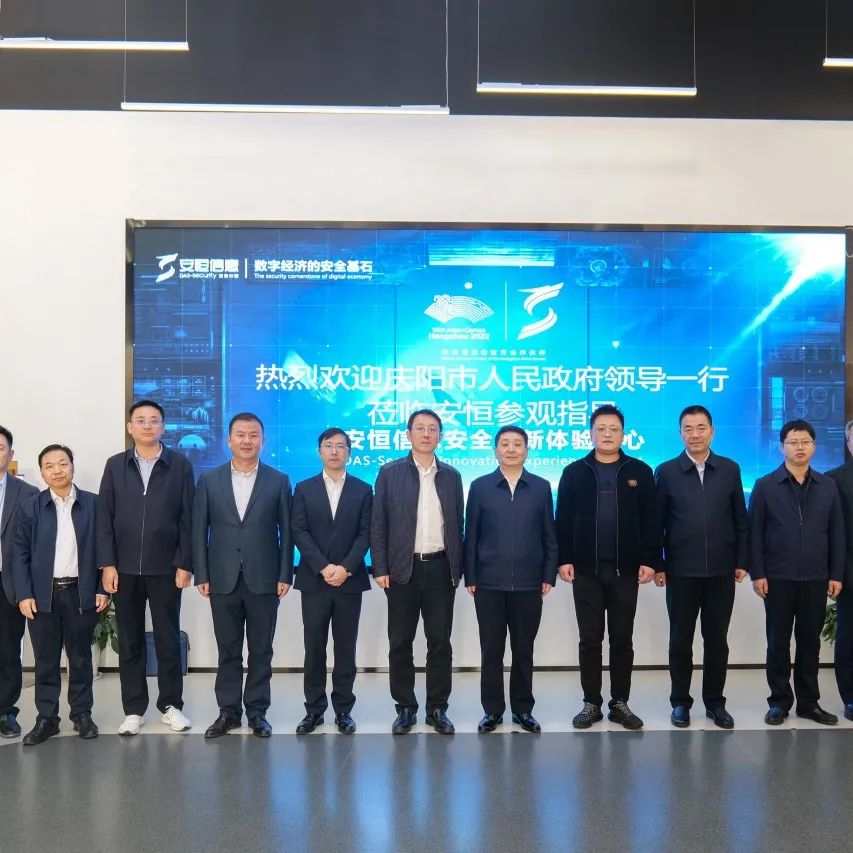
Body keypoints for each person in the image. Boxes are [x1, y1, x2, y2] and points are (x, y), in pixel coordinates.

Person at [555, 404, 659, 730]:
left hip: (626, 572)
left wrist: (650, 560)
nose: (607, 434)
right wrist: (564, 558)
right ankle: (591, 703)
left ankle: (620, 703)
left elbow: (652, 521)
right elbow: (563, 519)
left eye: (614, 429)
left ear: (623, 433)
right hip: (586, 571)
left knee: (622, 639)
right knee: (589, 639)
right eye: (601, 428)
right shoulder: (575, 472)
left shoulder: (639, 471)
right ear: (591, 433)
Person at [97, 400, 194, 735]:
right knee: (130, 641)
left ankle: (171, 706)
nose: (148, 425)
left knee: (168, 639)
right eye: (140, 420)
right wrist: (107, 563)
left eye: (154, 420)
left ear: (163, 427)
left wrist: (185, 562)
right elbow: (104, 518)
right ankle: (134, 710)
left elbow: (189, 518)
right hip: (124, 569)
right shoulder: (115, 465)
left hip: (166, 568)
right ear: (130, 427)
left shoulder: (179, 465)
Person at [192, 412, 292, 738]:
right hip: (222, 577)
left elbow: (287, 533)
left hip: (265, 578)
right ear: (229, 439)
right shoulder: (209, 480)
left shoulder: (278, 480)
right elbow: (199, 531)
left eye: (253, 435)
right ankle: (228, 712)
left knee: (261, 651)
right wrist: (202, 573)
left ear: (263, 440)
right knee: (228, 650)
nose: (247, 441)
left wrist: (285, 574)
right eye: (240, 434)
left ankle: (257, 712)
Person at [654, 405, 749, 729]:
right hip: (681, 572)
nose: (695, 434)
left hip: (721, 571)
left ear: (712, 431)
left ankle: (715, 703)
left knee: (717, 641)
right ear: (680, 433)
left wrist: (742, 560)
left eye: (701, 428)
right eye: (688, 428)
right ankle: (680, 703)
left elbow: (740, 519)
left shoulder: (730, 469)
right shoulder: (666, 472)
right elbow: (657, 524)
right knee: (680, 641)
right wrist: (658, 564)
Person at [370, 408, 464, 735]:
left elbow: (457, 525)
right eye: (420, 428)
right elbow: (378, 524)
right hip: (402, 570)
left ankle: (437, 708)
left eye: (432, 429)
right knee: (400, 641)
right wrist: (380, 567)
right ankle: (405, 708)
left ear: (440, 436)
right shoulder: (389, 473)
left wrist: (458, 569)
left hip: (441, 568)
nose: (426, 434)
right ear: (408, 435)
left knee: (440, 641)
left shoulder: (451, 476)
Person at [749, 419, 844, 725]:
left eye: (805, 442)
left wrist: (836, 573)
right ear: (782, 447)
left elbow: (837, 534)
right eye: (793, 442)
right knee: (778, 643)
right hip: (777, 578)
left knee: (809, 643)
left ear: (814, 446)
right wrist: (758, 573)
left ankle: (808, 703)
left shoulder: (828, 486)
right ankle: (779, 702)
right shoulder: (765, 486)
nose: (799, 447)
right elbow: (754, 534)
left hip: (816, 577)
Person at [13, 445, 109, 745]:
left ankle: (82, 714)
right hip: (43, 596)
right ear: (42, 472)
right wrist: (24, 594)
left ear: (72, 466)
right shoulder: (30, 506)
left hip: (81, 592)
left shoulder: (94, 503)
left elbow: (105, 548)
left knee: (80, 657)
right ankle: (47, 718)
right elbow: (19, 554)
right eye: (50, 465)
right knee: (45, 660)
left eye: (63, 463)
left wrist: (101, 588)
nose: (57, 470)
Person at [464, 426, 557, 734]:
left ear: (526, 450)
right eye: (505, 444)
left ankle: (523, 710)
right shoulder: (480, 486)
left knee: (523, 649)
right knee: (491, 650)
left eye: (518, 444)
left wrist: (548, 573)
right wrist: (471, 575)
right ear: (496, 450)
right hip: (488, 583)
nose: (511, 449)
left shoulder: (541, 487)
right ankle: (492, 711)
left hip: (529, 583)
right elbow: (471, 535)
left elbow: (549, 535)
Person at [291, 428, 372, 735]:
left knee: (345, 648)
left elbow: (366, 533)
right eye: (329, 446)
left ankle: (343, 710)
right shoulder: (303, 488)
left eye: (341, 446)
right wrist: (324, 567)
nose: (335, 451)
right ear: (320, 451)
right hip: (315, 580)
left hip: (350, 582)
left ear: (349, 452)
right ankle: (313, 711)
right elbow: (299, 531)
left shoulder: (363, 489)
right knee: (314, 648)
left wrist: (346, 568)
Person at [0, 426, 38, 738]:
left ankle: (5, 711)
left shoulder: (26, 493)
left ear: (10, 454)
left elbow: (34, 544)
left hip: (8, 583)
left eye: (0, 448)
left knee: (8, 650)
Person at [826, 418, 853, 720]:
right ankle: (850, 697)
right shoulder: (834, 480)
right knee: (848, 639)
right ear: (848, 443)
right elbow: (832, 532)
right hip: (850, 573)